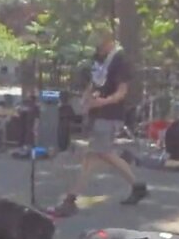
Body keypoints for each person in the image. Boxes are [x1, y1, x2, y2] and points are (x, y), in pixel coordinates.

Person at [50, 26, 148, 216]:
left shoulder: (120, 60)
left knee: (96, 155)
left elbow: (122, 92)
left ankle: (70, 200)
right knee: (100, 155)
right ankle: (137, 186)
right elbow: (95, 82)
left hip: (111, 114)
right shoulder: (99, 58)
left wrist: (103, 101)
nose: (98, 49)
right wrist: (86, 100)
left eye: (101, 45)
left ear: (109, 42)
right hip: (98, 114)